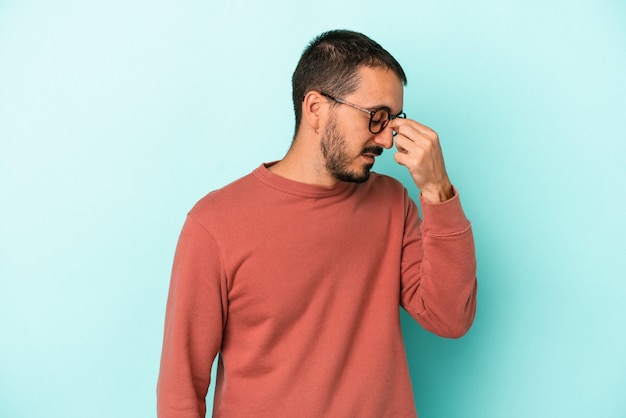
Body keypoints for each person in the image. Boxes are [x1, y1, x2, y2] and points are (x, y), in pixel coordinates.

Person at [157, 29, 478, 418]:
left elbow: (450, 317)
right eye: (376, 117)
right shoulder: (214, 223)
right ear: (315, 108)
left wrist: (438, 191)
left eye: (392, 121)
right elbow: (181, 388)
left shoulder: (393, 203)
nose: (387, 140)